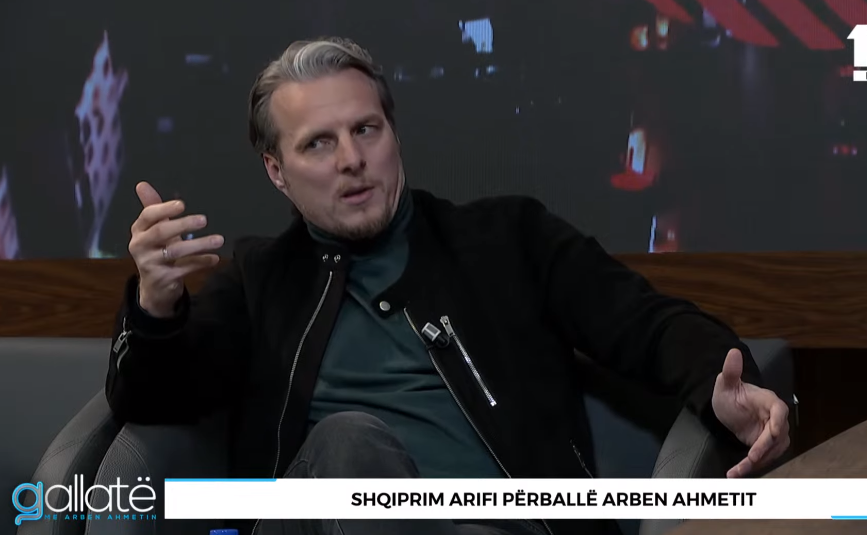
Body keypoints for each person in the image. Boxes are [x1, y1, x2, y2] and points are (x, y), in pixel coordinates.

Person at [106, 36, 790, 535]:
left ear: (393, 135)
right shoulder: (261, 277)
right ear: (276, 171)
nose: (352, 159)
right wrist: (156, 305)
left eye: (366, 129)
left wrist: (721, 377)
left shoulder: (506, 239)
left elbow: (644, 321)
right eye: (318, 143)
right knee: (350, 444)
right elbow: (154, 399)